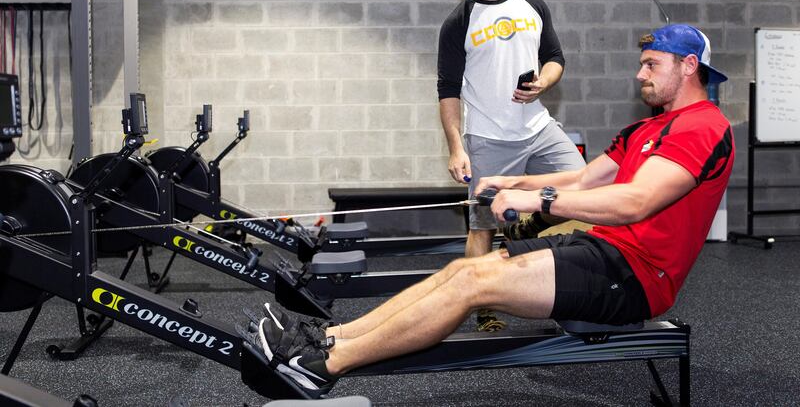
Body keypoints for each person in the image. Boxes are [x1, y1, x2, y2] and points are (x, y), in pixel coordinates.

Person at [250, 24, 734, 398]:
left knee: (472, 285)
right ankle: (328, 338)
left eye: (651, 65)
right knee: (464, 269)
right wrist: (517, 180)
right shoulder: (647, 129)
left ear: (688, 66)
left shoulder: (702, 127)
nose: (640, 74)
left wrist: (538, 200)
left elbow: (637, 201)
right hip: (604, 250)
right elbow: (585, 178)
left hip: (636, 278)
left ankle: (321, 368)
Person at [437, 0, 586, 331]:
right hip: (487, 135)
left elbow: (555, 56)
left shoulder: (533, 5)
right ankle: (482, 304)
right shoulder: (459, 21)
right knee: (483, 224)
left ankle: (531, 225)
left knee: (584, 190)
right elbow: (447, 90)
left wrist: (544, 82)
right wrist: (456, 147)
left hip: (538, 127)